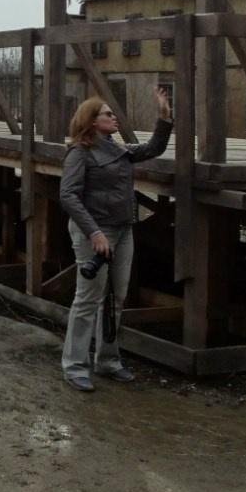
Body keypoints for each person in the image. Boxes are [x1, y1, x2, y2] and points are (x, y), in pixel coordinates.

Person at [59, 86, 172, 392]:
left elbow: (152, 149)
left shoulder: (116, 148)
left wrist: (164, 116)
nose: (114, 117)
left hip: (123, 230)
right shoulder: (79, 152)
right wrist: (94, 232)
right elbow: (68, 196)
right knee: (88, 299)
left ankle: (107, 361)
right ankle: (74, 366)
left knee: (115, 299)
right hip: (95, 232)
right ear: (92, 120)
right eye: (108, 113)